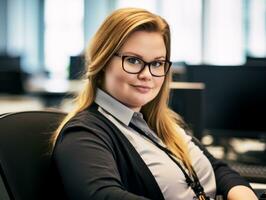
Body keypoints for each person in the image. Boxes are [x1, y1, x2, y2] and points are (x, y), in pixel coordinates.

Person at [51, 7, 258, 200]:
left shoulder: (160, 125)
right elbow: (103, 196)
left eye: (157, 63)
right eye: (133, 60)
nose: (147, 75)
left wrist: (241, 193)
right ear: (103, 61)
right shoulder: (83, 132)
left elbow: (218, 169)